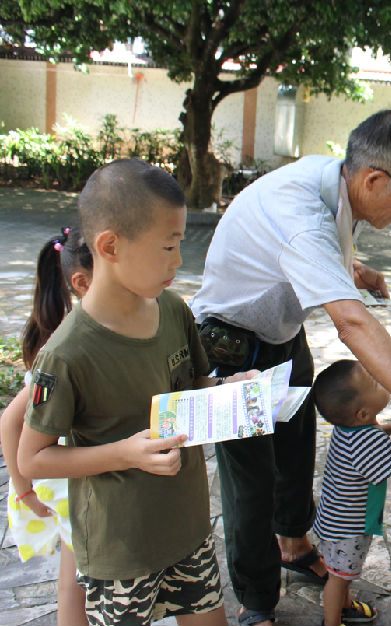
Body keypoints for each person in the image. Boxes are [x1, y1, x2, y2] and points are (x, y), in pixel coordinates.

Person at [190, 106, 391, 626]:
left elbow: (299, 254)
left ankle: (294, 543)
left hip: (282, 335)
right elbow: (352, 326)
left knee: (295, 450)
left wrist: (351, 268)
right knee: (249, 481)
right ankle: (258, 603)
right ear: (375, 179)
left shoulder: (337, 181)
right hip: (232, 347)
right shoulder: (301, 210)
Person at [17, 159, 256, 626]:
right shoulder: (66, 354)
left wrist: (232, 391)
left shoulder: (173, 310)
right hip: (120, 547)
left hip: (187, 526)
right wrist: (126, 453)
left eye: (180, 243)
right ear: (110, 246)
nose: (178, 260)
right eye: (168, 246)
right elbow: (33, 459)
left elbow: (195, 387)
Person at [2, 226, 92, 626]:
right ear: (82, 281)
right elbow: (10, 420)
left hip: (64, 477)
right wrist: (24, 491)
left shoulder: (61, 333)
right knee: (76, 582)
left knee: (74, 579)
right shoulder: (60, 347)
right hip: (62, 480)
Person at [311, 359, 391, 626]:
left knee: (341, 573)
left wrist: (389, 429)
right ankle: (332, 622)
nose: (377, 378)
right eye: (372, 382)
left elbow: (370, 434)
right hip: (348, 529)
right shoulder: (369, 441)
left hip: (333, 520)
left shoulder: (349, 428)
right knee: (337, 579)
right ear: (362, 413)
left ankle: (346, 608)